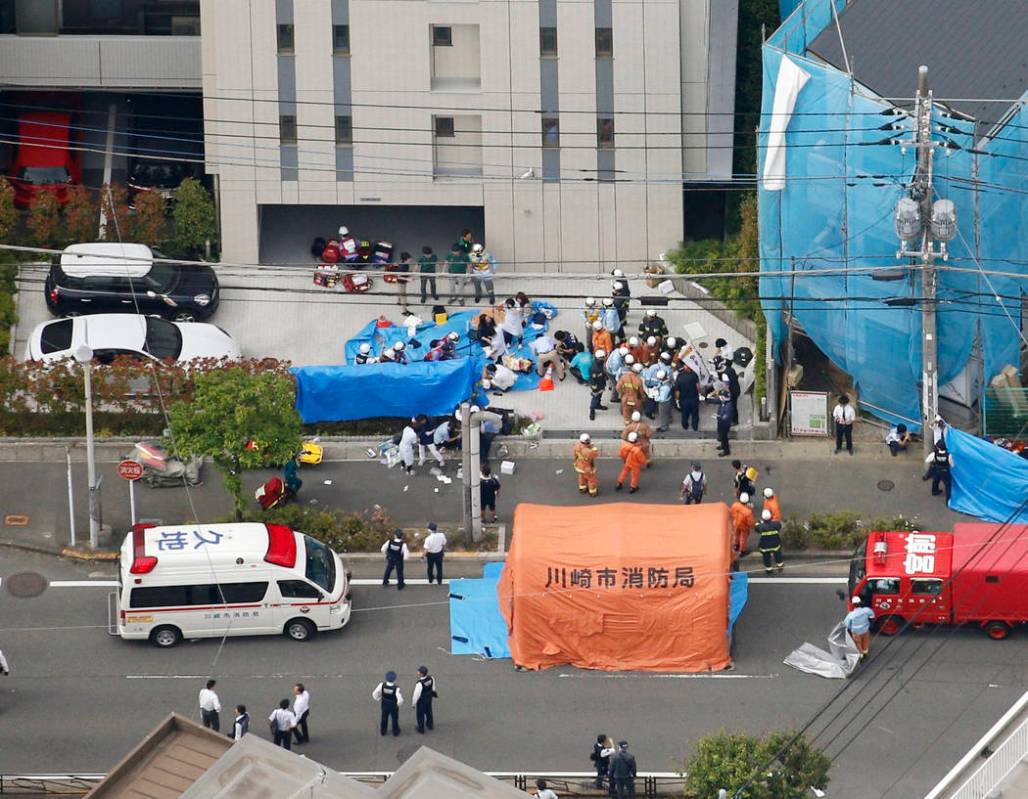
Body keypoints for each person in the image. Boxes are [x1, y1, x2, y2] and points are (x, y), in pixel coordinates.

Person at [372, 671, 403, 736]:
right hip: (393, 704)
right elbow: (400, 699)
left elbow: (374, 693)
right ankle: (395, 731)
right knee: (394, 718)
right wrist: (398, 704)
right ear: (394, 679)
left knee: (384, 717)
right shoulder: (396, 688)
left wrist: (378, 698)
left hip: (385, 703)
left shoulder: (381, 685)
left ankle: (383, 731)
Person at [755, 509, 784, 574]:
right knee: (778, 556)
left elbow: (756, 527)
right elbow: (780, 525)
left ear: (763, 518)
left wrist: (758, 522)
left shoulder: (761, 527)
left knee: (766, 558)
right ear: (771, 517)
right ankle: (780, 566)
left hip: (765, 546)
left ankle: (769, 569)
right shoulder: (776, 524)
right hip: (775, 545)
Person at [674, 363, 700, 432]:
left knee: (684, 414)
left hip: (683, 400)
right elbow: (698, 387)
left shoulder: (679, 377)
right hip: (694, 399)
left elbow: (677, 390)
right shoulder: (694, 375)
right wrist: (698, 394)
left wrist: (677, 400)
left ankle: (685, 426)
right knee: (695, 414)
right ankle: (695, 427)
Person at [411, 665, 436, 734]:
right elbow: (433, 687)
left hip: (422, 700)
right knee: (429, 711)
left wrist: (413, 703)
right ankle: (430, 725)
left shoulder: (419, 683)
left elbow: (416, 695)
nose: (417, 672)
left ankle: (421, 728)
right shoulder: (431, 678)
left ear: (421, 674)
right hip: (429, 697)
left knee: (420, 714)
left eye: (418, 671)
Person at [573, 433, 600, 497]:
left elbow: (575, 455)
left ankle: (582, 488)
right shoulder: (588, 451)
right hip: (587, 468)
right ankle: (592, 491)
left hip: (579, 466)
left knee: (582, 477)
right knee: (591, 479)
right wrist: (593, 448)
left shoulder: (577, 446)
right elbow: (596, 454)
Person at [730, 492, 755, 557]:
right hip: (744, 526)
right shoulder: (748, 512)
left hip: (736, 523)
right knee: (743, 538)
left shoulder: (735, 505)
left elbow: (731, 512)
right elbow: (750, 522)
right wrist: (753, 526)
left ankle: (736, 545)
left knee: (736, 534)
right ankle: (742, 551)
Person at [649, 367, 673, 432]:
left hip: (664, 403)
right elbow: (661, 384)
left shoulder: (665, 388)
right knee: (668, 412)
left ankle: (664, 427)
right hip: (669, 400)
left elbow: (662, 398)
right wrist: (657, 388)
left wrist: (655, 397)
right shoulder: (667, 380)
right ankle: (670, 420)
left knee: (663, 415)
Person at [589, 351, 609, 421]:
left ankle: (598, 405)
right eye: (603, 357)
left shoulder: (599, 363)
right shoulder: (595, 368)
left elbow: (602, 372)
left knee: (599, 396)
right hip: (597, 386)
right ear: (599, 358)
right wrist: (595, 390)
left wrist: (605, 376)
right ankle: (592, 410)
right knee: (595, 397)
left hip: (601, 383)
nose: (604, 358)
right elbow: (593, 380)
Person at [715, 390, 735, 456]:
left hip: (724, 424)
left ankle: (726, 451)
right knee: (721, 436)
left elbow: (726, 417)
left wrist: (718, 417)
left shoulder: (728, 406)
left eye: (720, 396)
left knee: (724, 437)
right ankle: (723, 445)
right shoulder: (724, 402)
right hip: (721, 423)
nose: (719, 397)